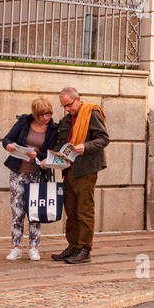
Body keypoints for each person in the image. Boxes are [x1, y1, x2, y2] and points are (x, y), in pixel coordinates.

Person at [50, 87, 109, 265]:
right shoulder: (67, 120)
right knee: (71, 210)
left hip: (86, 169)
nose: (67, 109)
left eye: (69, 105)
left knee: (84, 210)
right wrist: (51, 158)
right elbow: (60, 143)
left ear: (77, 100)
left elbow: (104, 139)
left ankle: (84, 248)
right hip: (68, 169)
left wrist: (85, 146)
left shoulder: (91, 113)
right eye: (64, 106)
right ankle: (73, 246)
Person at [0, 97, 60, 261]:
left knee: (35, 212)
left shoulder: (53, 129)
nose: (45, 118)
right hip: (18, 172)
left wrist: (38, 155)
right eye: (41, 115)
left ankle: (34, 247)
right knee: (17, 211)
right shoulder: (24, 122)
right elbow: (7, 138)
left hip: (38, 174)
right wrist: (9, 146)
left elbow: (53, 152)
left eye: (48, 114)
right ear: (35, 113)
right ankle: (16, 247)